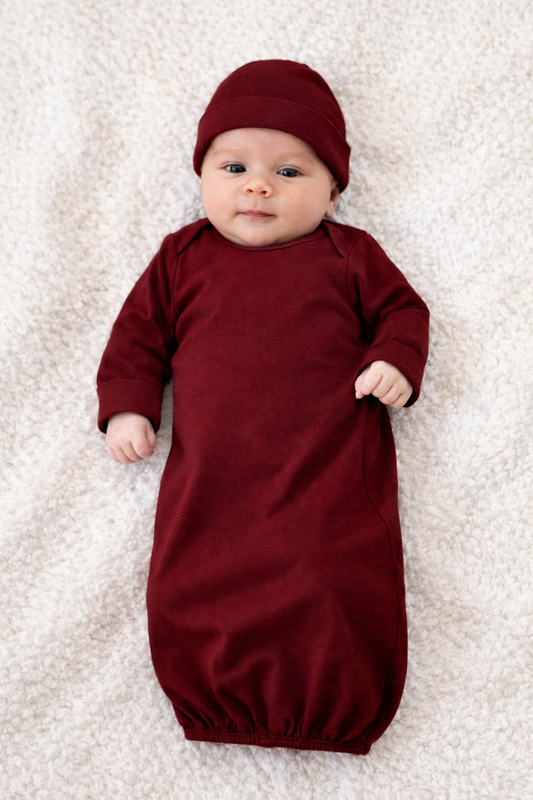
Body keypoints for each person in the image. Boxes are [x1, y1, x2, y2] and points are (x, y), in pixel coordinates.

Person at [96, 59, 430, 755]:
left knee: (332, 574)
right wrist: (129, 407)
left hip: (326, 473)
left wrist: (394, 360)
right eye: (233, 166)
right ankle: (211, 695)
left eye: (288, 172)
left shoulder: (349, 256)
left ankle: (331, 701)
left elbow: (403, 311)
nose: (256, 185)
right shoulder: (182, 258)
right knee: (198, 573)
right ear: (201, 178)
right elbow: (137, 336)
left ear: (333, 193)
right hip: (212, 481)